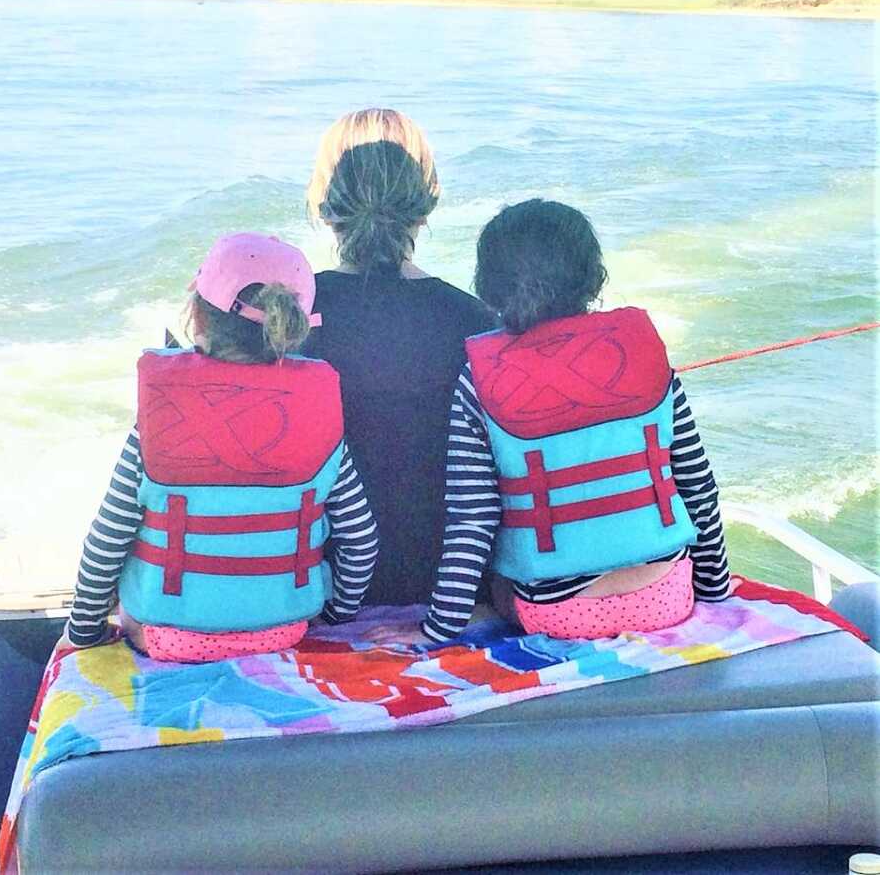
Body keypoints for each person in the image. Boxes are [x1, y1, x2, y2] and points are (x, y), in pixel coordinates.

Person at [418, 199, 731, 643]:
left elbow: (473, 520)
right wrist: (717, 595)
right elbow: (697, 485)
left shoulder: (479, 380)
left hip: (555, 615)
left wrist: (438, 631)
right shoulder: (648, 358)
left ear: (491, 286)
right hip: (666, 599)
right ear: (591, 275)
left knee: (500, 583)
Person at [65, 232, 379, 662]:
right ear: (293, 326)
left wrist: (83, 630)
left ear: (196, 315)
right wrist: (337, 615)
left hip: (167, 635)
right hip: (284, 631)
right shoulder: (319, 418)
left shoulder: (159, 421)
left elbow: (108, 537)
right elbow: (360, 539)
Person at [302, 109, 495, 607]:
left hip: (320, 588)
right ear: (425, 208)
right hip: (453, 582)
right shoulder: (477, 322)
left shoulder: (289, 319)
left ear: (326, 209)